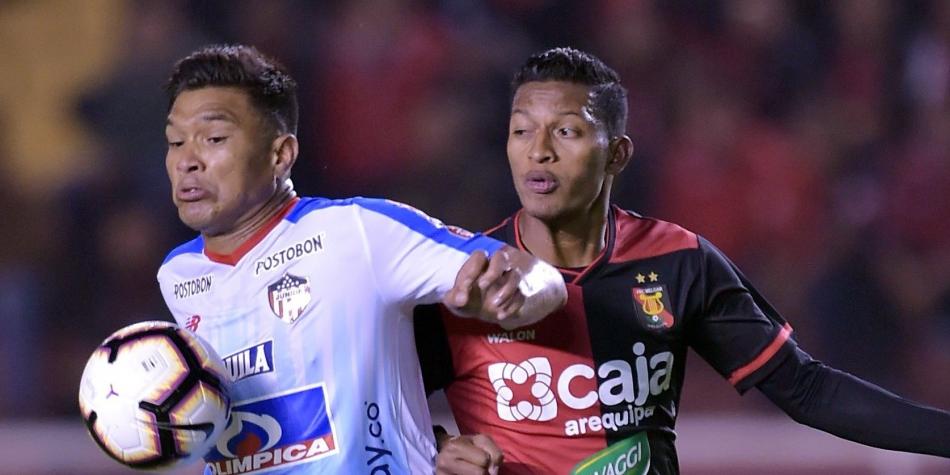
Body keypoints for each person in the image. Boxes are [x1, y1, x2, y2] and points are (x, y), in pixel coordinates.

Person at [415, 47, 950, 475]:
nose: (539, 150)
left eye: (567, 131)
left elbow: (807, 389)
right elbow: (373, 407)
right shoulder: (460, 278)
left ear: (617, 154)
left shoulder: (678, 261)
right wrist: (435, 447)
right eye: (521, 130)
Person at [156, 44, 567, 475]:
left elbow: (540, 277)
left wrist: (516, 292)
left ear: (281, 155)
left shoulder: (359, 232)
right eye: (175, 142)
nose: (187, 162)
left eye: (214, 139)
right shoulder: (178, 275)